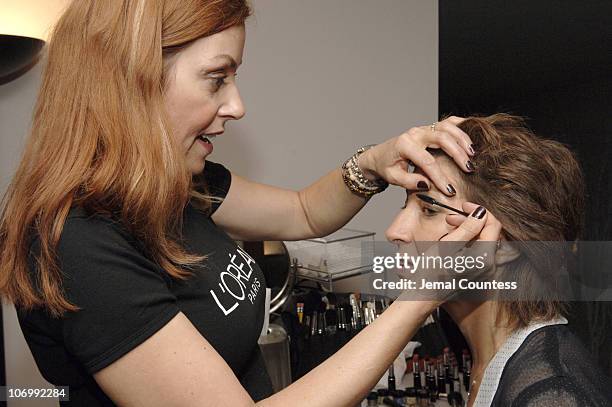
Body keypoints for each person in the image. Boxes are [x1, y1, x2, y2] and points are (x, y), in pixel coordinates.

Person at [0, 1, 492, 406]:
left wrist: (373, 162)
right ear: (132, 83)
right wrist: (420, 298)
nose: (237, 106)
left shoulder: (177, 181)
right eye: (217, 78)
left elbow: (303, 212)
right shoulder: (74, 244)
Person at [385, 113, 612, 406]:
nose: (394, 231)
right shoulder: (484, 360)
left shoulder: (553, 393)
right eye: (405, 205)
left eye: (429, 210)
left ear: (504, 245)